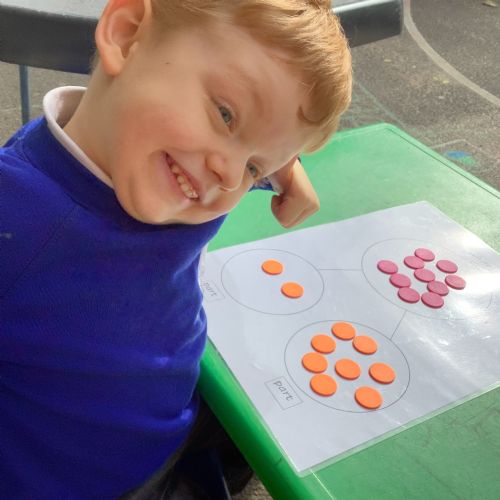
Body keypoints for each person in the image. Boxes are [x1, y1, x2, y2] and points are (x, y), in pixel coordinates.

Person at [0, 0, 352, 497]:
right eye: (225, 115)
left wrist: (282, 169)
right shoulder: (17, 214)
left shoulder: (182, 168)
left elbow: (253, 142)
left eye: (253, 166)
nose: (229, 176)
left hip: (172, 424)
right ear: (126, 35)